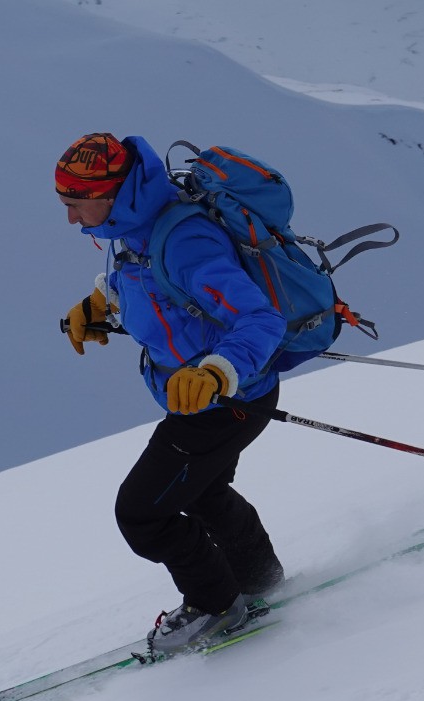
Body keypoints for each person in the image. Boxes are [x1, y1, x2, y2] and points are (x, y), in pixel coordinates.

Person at [57, 132, 288, 656]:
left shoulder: (184, 239)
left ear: (112, 193)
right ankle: (260, 583)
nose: (70, 218)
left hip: (223, 402)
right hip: (217, 399)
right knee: (201, 493)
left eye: (75, 203)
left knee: (141, 513)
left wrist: (216, 371)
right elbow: (143, 278)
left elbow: (260, 317)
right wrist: (100, 303)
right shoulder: (136, 227)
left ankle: (215, 606)